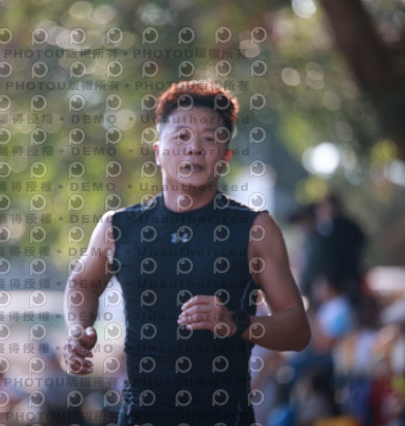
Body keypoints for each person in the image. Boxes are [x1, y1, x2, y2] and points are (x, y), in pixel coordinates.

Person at [63, 80, 311, 426]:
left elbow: (297, 330)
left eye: (209, 139)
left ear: (224, 157)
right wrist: (78, 329)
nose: (194, 148)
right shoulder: (118, 227)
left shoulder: (255, 229)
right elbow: (82, 284)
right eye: (181, 136)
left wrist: (237, 324)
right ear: (158, 151)